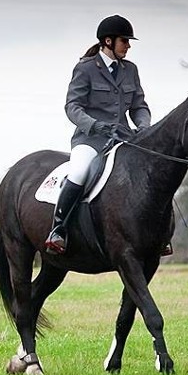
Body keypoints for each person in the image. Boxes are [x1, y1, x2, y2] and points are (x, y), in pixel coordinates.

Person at [44, 15, 151, 255]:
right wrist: (93, 125)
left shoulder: (130, 70)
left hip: (123, 138)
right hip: (90, 139)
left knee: (147, 173)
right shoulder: (86, 68)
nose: (128, 45)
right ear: (108, 41)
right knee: (80, 171)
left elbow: (139, 106)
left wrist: (144, 126)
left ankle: (156, 235)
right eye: (125, 40)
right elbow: (72, 107)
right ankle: (58, 229)